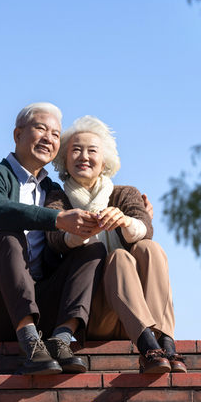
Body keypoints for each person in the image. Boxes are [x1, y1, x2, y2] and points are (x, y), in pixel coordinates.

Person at [0, 103, 107, 375]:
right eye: (41, 128)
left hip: (42, 306)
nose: (49, 138)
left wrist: (135, 214)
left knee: (92, 248)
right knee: (9, 234)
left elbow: (92, 190)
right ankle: (29, 342)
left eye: (55, 133)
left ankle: (60, 341)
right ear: (17, 135)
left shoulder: (54, 192)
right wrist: (55, 219)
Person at [45, 115, 186, 374]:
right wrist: (86, 230)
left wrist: (124, 221)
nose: (83, 156)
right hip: (98, 315)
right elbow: (55, 242)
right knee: (118, 258)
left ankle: (165, 341)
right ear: (64, 158)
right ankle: (148, 349)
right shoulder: (57, 198)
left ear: (105, 160)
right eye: (75, 150)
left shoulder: (124, 193)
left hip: (143, 312)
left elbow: (145, 228)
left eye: (92, 150)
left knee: (148, 248)